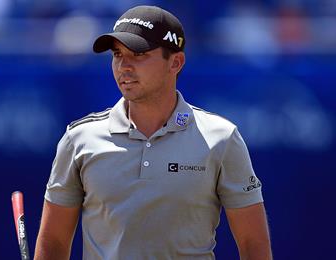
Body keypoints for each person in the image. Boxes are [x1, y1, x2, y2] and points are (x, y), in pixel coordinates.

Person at [35, 5, 272, 260]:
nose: (123, 66)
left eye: (138, 54)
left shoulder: (222, 138)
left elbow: (253, 245)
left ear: (176, 62)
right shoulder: (79, 138)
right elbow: (54, 243)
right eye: (117, 54)